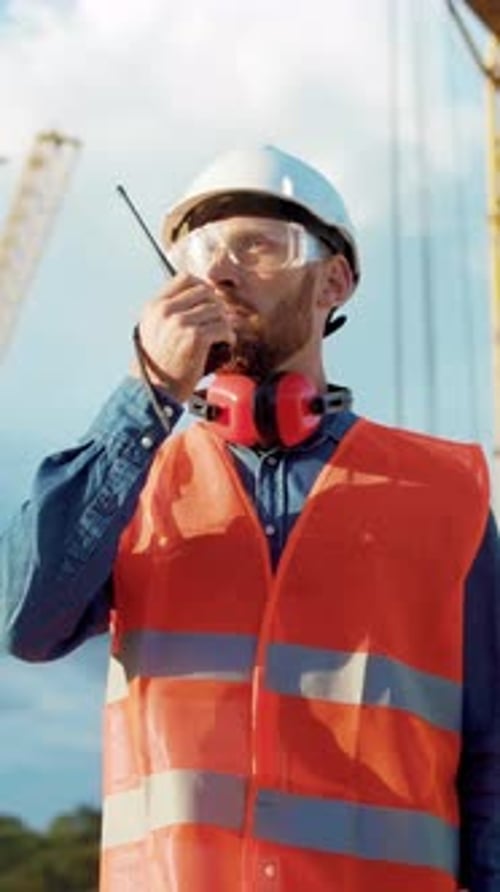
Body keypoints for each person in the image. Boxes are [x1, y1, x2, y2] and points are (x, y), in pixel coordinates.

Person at [1, 144, 499, 892]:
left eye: (259, 246)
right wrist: (149, 395)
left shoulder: (444, 491)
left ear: (334, 280)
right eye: (202, 252)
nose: (222, 270)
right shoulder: (132, 478)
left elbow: (494, 752)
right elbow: (25, 620)